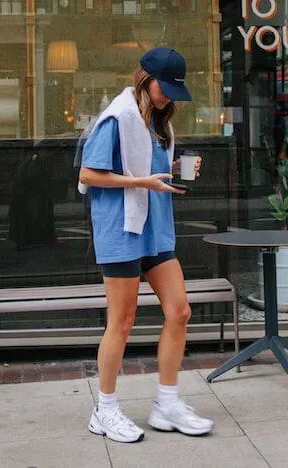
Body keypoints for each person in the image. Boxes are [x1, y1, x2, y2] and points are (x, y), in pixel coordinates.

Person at [78, 47, 213, 443]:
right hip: (121, 230)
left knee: (180, 311)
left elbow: (145, 167)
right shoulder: (117, 117)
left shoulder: (159, 123)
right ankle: (103, 410)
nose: (168, 96)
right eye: (164, 88)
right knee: (121, 322)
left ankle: (166, 403)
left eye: (174, 90)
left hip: (154, 229)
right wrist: (142, 183)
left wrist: (171, 171)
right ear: (145, 78)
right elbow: (89, 174)